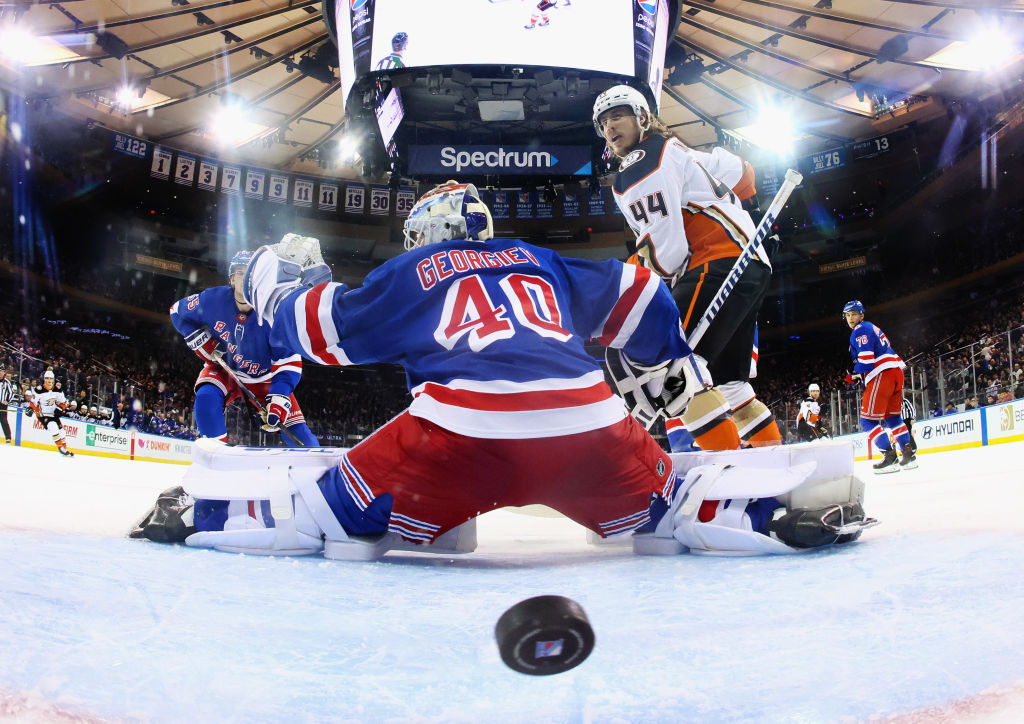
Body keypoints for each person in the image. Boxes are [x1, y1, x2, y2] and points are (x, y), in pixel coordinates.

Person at [134, 183, 875, 558]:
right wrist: (665, 360)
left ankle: (199, 512)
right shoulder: (543, 259)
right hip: (589, 427)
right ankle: (771, 511)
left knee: (327, 516)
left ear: (428, 233)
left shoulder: (415, 266)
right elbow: (645, 300)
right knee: (667, 509)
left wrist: (272, 277)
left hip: (456, 438)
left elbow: (314, 333)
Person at [592, 84, 782, 452]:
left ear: (642, 117)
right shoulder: (680, 149)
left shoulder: (639, 163)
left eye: (617, 115)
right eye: (603, 122)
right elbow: (744, 174)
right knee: (730, 386)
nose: (609, 127)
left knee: (673, 371)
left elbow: (668, 251)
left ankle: (727, 475)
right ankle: (773, 472)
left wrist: (629, 283)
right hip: (751, 262)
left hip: (717, 263)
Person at [169, 248, 318, 446]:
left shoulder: (273, 312)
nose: (245, 277)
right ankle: (215, 460)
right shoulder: (212, 300)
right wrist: (201, 340)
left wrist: (280, 396)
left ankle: (315, 471)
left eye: (250, 272)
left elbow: (288, 362)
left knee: (300, 436)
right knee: (205, 399)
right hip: (225, 369)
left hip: (266, 378)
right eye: (240, 272)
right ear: (231, 279)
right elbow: (177, 311)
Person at [842, 300, 916, 472]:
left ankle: (889, 457)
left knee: (867, 421)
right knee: (893, 418)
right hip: (895, 372)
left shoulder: (860, 330)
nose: (851, 318)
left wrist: (854, 373)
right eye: (848, 315)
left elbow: (866, 360)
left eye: (854, 314)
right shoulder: (872, 327)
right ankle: (909, 454)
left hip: (882, 374)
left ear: (861, 315)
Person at [26, 370, 74, 457]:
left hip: (54, 414)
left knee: (62, 432)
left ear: (54, 380)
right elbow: (33, 403)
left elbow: (64, 403)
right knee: (53, 426)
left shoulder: (58, 390)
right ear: (44, 379)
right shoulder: (38, 390)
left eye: (51, 378)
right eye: (47, 378)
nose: (49, 380)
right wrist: (30, 408)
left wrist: (60, 408)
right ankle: (60, 447)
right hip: (43, 414)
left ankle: (65, 448)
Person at [0, 368, 16, 444]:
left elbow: (11, 393)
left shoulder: (6, 382)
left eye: (2, 372)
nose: (1, 373)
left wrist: (7, 401)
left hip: (2, 404)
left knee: (4, 421)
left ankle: (8, 438)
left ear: (4, 373)